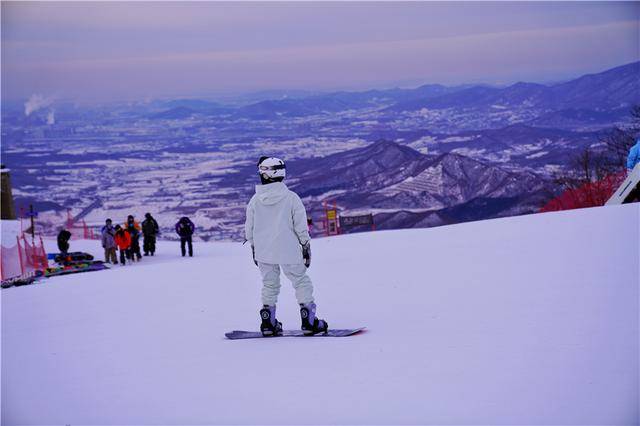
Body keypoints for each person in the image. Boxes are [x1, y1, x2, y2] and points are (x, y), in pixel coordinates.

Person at [245, 156, 328, 337]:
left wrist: (254, 247)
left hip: (264, 251)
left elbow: (249, 229)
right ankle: (309, 320)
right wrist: (305, 246)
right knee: (300, 280)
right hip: (288, 249)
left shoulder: (255, 200)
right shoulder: (291, 198)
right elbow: (300, 227)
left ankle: (268, 321)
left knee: (269, 284)